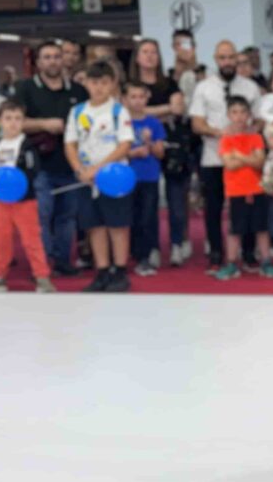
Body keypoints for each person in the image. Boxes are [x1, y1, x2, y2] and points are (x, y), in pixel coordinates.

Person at [15, 41, 89, 277]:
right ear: (38, 62)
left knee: (67, 217)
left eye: (56, 56)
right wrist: (44, 124)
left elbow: (88, 122)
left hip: (71, 162)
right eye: (47, 57)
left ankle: (63, 261)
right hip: (38, 164)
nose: (53, 61)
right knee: (41, 216)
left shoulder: (78, 91)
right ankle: (42, 264)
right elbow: (15, 122)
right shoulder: (25, 88)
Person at [189, 40, 262, 273]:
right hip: (213, 158)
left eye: (231, 57)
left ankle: (249, 253)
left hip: (245, 161)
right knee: (213, 208)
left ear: (237, 58)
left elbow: (260, 119)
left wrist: (249, 131)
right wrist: (220, 132)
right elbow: (196, 123)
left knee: (247, 209)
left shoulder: (250, 86)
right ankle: (216, 254)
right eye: (222, 58)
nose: (227, 62)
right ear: (215, 59)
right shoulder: (204, 87)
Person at [64, 61, 135, 293]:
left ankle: (120, 270)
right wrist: (80, 170)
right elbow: (70, 144)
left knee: (118, 225)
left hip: (113, 177)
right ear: (86, 83)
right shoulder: (77, 112)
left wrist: (100, 168)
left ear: (112, 84)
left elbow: (125, 144)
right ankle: (102, 271)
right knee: (94, 226)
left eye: (104, 83)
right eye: (94, 82)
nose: (99, 88)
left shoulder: (118, 111)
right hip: (87, 179)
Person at [0, 100, 55, 293]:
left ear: (23, 122)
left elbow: (32, 171)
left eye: (17, 119)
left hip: (24, 202)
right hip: (0, 203)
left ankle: (42, 278)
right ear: (0, 121)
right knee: (1, 240)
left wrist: (15, 186)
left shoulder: (27, 145)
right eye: (8, 118)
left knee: (31, 240)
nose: (13, 123)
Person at [129, 37, 187, 267]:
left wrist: (145, 112)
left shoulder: (169, 83)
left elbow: (178, 109)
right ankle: (150, 247)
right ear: (137, 57)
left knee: (176, 202)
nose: (150, 56)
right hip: (139, 151)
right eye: (145, 52)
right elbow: (130, 111)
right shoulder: (130, 84)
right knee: (146, 206)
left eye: (154, 51)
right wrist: (163, 111)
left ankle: (176, 244)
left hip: (171, 147)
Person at [216, 96, 273, 280]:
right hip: (235, 190)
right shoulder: (226, 139)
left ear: (249, 115)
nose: (239, 117)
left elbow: (259, 162)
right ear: (229, 115)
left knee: (261, 228)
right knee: (235, 229)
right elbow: (230, 164)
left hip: (257, 189)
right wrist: (248, 158)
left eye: (243, 112)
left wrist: (240, 156)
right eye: (234, 112)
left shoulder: (255, 137)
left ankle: (266, 261)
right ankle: (231, 263)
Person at [124, 82, 166, 277]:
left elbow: (160, 153)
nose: (137, 101)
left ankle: (145, 257)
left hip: (149, 176)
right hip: (126, 177)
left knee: (147, 217)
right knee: (128, 217)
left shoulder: (153, 123)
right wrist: (132, 153)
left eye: (141, 96)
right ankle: (129, 254)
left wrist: (149, 142)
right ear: (125, 100)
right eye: (133, 96)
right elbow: (115, 151)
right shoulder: (121, 122)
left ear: (147, 98)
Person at [171, 29, 199, 106]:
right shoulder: (167, 76)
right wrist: (177, 74)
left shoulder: (206, 73)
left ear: (193, 46)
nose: (182, 48)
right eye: (178, 44)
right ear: (173, 47)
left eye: (185, 44)